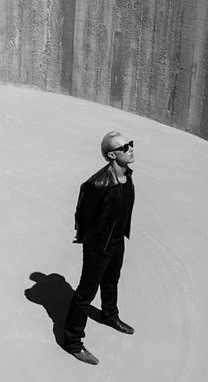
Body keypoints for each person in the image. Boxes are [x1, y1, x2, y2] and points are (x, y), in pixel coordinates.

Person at [63, 131, 136, 365]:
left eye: (130, 144)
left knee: (112, 280)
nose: (130, 149)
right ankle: (72, 342)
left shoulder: (127, 175)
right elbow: (83, 215)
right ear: (111, 155)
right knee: (86, 293)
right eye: (124, 147)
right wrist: (90, 241)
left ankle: (109, 316)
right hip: (98, 245)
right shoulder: (97, 183)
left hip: (117, 241)